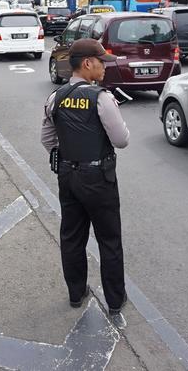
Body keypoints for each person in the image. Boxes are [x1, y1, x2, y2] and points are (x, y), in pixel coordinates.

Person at [40, 38, 130, 329]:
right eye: (101, 61)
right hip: (99, 179)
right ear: (88, 63)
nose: (105, 66)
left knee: (72, 236)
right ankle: (115, 300)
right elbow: (121, 140)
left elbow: (47, 140)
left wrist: (67, 156)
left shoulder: (56, 97)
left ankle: (76, 294)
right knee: (109, 240)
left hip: (67, 176)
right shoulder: (101, 98)